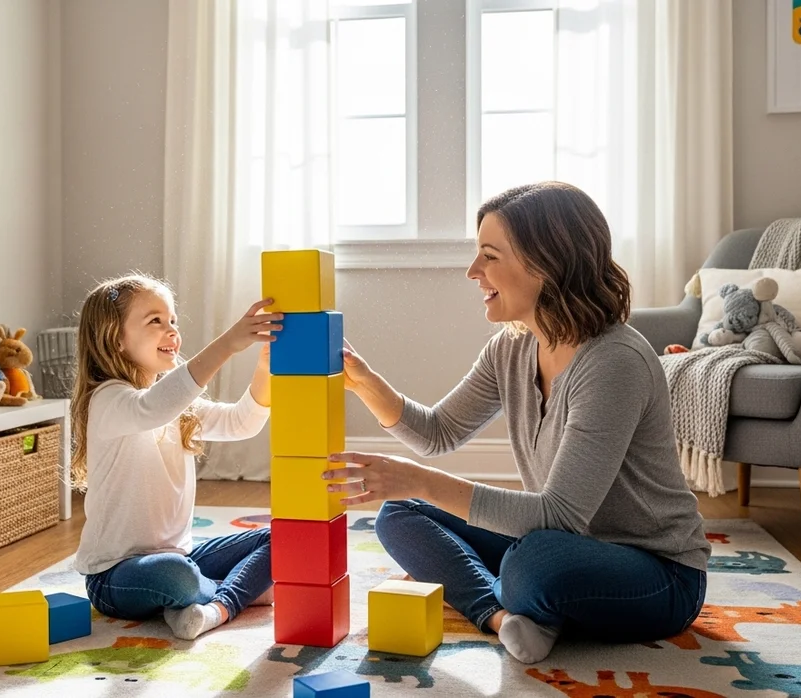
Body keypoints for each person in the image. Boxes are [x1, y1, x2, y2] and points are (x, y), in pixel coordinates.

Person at [324, 181, 710, 664]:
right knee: (402, 510)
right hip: (561, 544)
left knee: (533, 562)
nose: (473, 272)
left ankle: (517, 595)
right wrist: (364, 382)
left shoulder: (614, 360)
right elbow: (438, 433)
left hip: (658, 574)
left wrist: (419, 478)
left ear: (546, 263)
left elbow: (559, 516)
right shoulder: (511, 348)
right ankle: (504, 618)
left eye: (489, 256)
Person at [71, 274, 282, 640]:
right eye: (155, 321)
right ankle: (236, 590)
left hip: (181, 558)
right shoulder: (108, 400)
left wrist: (265, 367)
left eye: (173, 321)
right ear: (116, 339)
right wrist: (228, 344)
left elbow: (240, 422)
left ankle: (216, 607)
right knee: (175, 575)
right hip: (115, 577)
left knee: (284, 537)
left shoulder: (177, 407)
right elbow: (153, 407)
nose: (171, 331)